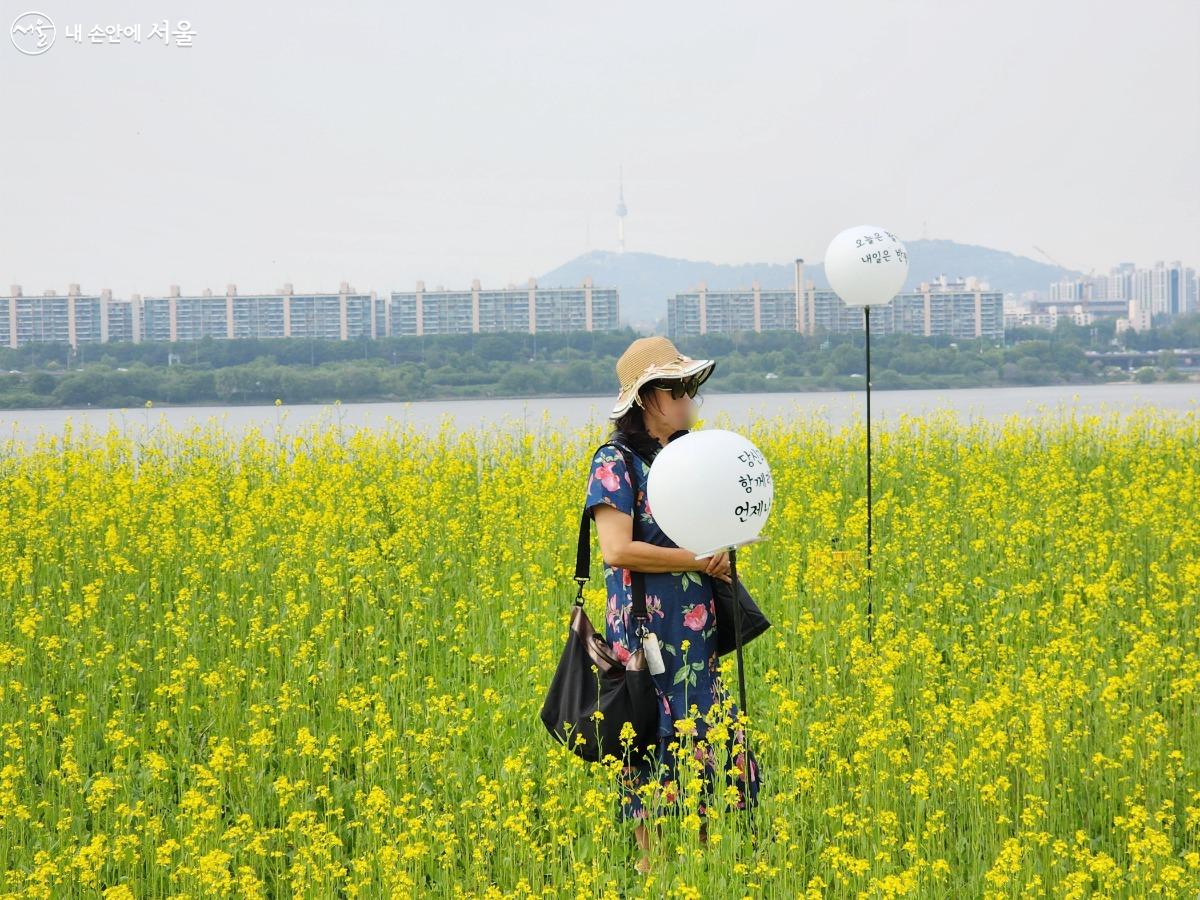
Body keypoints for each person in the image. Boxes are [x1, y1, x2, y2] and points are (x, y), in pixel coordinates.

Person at [583, 335, 761, 874]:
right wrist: (694, 557)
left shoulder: (684, 458)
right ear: (647, 398)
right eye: (679, 388)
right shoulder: (616, 462)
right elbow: (616, 549)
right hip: (646, 630)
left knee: (703, 738)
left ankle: (701, 865)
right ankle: (651, 867)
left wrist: (718, 557)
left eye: (691, 388)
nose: (690, 400)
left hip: (694, 630)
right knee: (651, 740)